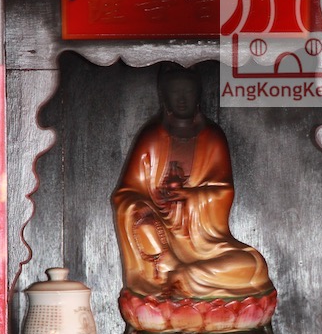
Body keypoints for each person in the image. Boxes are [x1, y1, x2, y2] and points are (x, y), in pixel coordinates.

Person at [113, 65, 274, 301]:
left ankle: (182, 278)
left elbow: (224, 190)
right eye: (175, 92)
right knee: (136, 213)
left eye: (188, 92)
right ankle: (171, 273)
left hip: (205, 242)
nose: (182, 99)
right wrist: (151, 206)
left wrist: (193, 196)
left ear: (198, 96)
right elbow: (126, 193)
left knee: (253, 264)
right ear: (165, 97)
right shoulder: (151, 138)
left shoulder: (213, 138)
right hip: (164, 241)